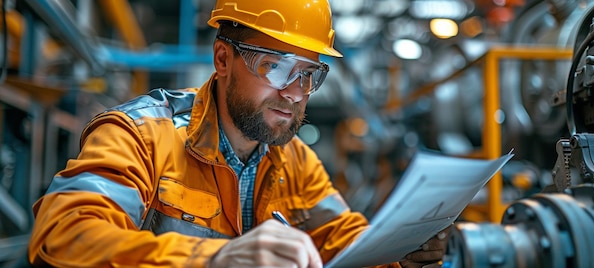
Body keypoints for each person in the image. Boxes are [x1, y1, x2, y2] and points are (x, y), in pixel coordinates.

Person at [27, 0, 449, 267]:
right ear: (223, 58)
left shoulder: (295, 160)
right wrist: (216, 259)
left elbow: (345, 241)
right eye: (276, 67)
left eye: (308, 75)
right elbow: (64, 237)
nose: (294, 93)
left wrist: (400, 254)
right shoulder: (141, 135)